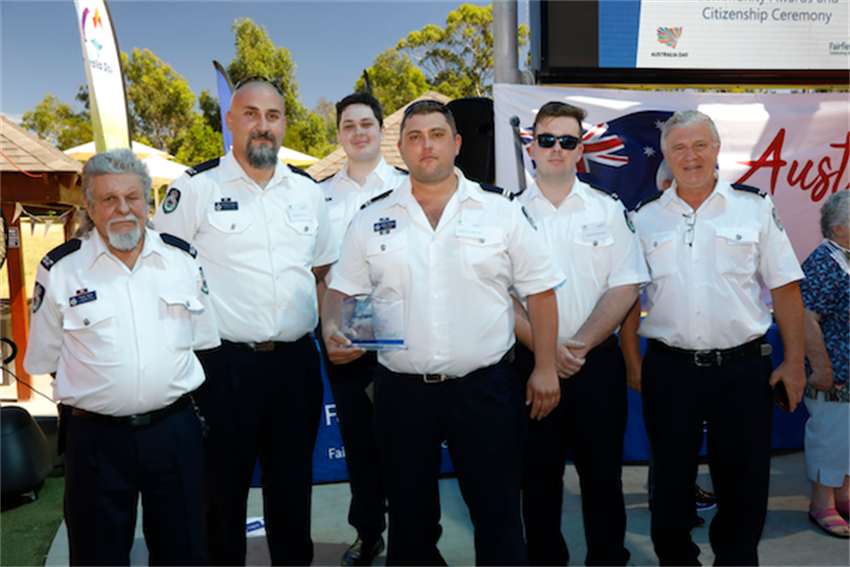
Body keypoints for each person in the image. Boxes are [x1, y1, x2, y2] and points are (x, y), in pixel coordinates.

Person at [321, 100, 564, 567]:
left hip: (486, 391)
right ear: (402, 149)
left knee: (497, 520)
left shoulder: (501, 212)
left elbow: (541, 292)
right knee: (410, 525)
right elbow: (340, 292)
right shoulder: (370, 219)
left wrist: (548, 367)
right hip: (400, 395)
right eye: (414, 137)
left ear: (456, 144)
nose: (425, 145)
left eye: (436, 134)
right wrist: (333, 326)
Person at [153, 78, 338, 567]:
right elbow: (162, 273)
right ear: (230, 121)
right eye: (251, 114)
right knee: (222, 491)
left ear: (283, 124)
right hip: (223, 366)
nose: (263, 125)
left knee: (293, 487)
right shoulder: (194, 188)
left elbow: (323, 271)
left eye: (273, 115)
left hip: (297, 363)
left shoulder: (307, 191)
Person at [627, 109, 806, 567]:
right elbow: (626, 296)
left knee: (744, 482)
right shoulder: (644, 219)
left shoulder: (754, 207)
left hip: (743, 369)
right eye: (679, 148)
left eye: (700, 145)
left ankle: (737, 559)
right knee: (670, 480)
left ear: (717, 149)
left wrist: (793, 362)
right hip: (669, 369)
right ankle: (676, 559)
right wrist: (632, 360)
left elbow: (785, 285)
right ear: (665, 156)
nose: (691, 156)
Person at [24, 149, 219, 566]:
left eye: (132, 197)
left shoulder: (183, 261)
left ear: (149, 202)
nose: (123, 209)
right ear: (90, 208)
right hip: (96, 440)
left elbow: (202, 340)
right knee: (97, 554)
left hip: (175, 433)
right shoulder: (61, 271)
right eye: (109, 199)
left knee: (185, 550)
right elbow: (46, 357)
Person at [512, 101, 647, 567]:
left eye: (567, 140)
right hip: (530, 365)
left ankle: (607, 559)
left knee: (602, 477)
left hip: (596, 364)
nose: (556, 149)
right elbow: (498, 293)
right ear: (531, 145)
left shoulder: (608, 210)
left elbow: (626, 283)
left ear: (580, 149)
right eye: (546, 139)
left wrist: (581, 344)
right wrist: (546, 352)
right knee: (537, 478)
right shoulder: (505, 214)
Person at [317, 92, 409, 567]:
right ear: (339, 135)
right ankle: (369, 533)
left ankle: (414, 539)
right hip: (345, 341)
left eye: (366, 124)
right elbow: (317, 273)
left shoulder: (409, 186)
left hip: (402, 340)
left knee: (405, 442)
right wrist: (329, 328)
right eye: (348, 125)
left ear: (381, 131)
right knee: (358, 442)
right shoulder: (320, 196)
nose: (358, 133)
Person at [800, 190, 850, 538]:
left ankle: (843, 496)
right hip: (835, 373)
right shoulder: (824, 261)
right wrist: (821, 369)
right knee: (830, 437)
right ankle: (822, 503)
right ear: (839, 228)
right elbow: (805, 318)